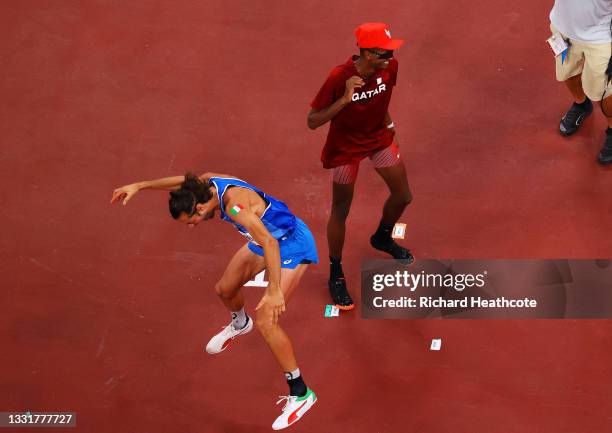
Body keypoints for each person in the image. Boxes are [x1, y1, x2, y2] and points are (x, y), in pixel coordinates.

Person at [110, 172, 317, 430]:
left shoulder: (235, 206)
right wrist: (140, 184)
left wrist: (274, 290)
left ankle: (300, 393)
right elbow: (182, 182)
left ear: (199, 206)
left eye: (192, 219)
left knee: (267, 320)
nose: (193, 225)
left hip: (289, 243)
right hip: (263, 239)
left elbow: (270, 244)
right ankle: (240, 323)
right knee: (225, 289)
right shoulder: (207, 182)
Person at [307, 22, 414, 310]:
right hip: (345, 149)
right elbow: (313, 121)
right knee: (341, 211)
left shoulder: (389, 69)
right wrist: (344, 99)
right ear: (366, 53)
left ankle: (381, 237)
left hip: (378, 138)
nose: (389, 58)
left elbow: (382, 100)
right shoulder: (339, 77)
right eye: (383, 53)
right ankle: (336, 273)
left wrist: (389, 124)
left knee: (403, 196)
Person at [549, 0, 612, 164]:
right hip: (563, 29)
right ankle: (581, 105)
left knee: (604, 92)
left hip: (600, 37)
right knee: (567, 73)